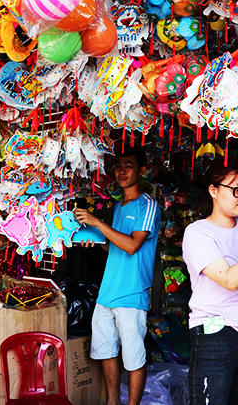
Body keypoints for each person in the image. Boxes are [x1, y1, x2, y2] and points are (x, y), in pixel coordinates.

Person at [73, 146, 160, 405]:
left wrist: (98, 223)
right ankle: (113, 402)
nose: (121, 170)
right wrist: (96, 239)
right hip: (107, 292)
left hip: (131, 294)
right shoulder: (119, 206)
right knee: (106, 351)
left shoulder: (148, 205)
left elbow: (133, 246)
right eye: (118, 165)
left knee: (134, 357)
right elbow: (116, 247)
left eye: (129, 165)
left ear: (142, 171)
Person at [182, 157, 238, 405]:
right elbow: (229, 279)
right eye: (236, 190)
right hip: (216, 334)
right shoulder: (198, 233)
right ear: (214, 190)